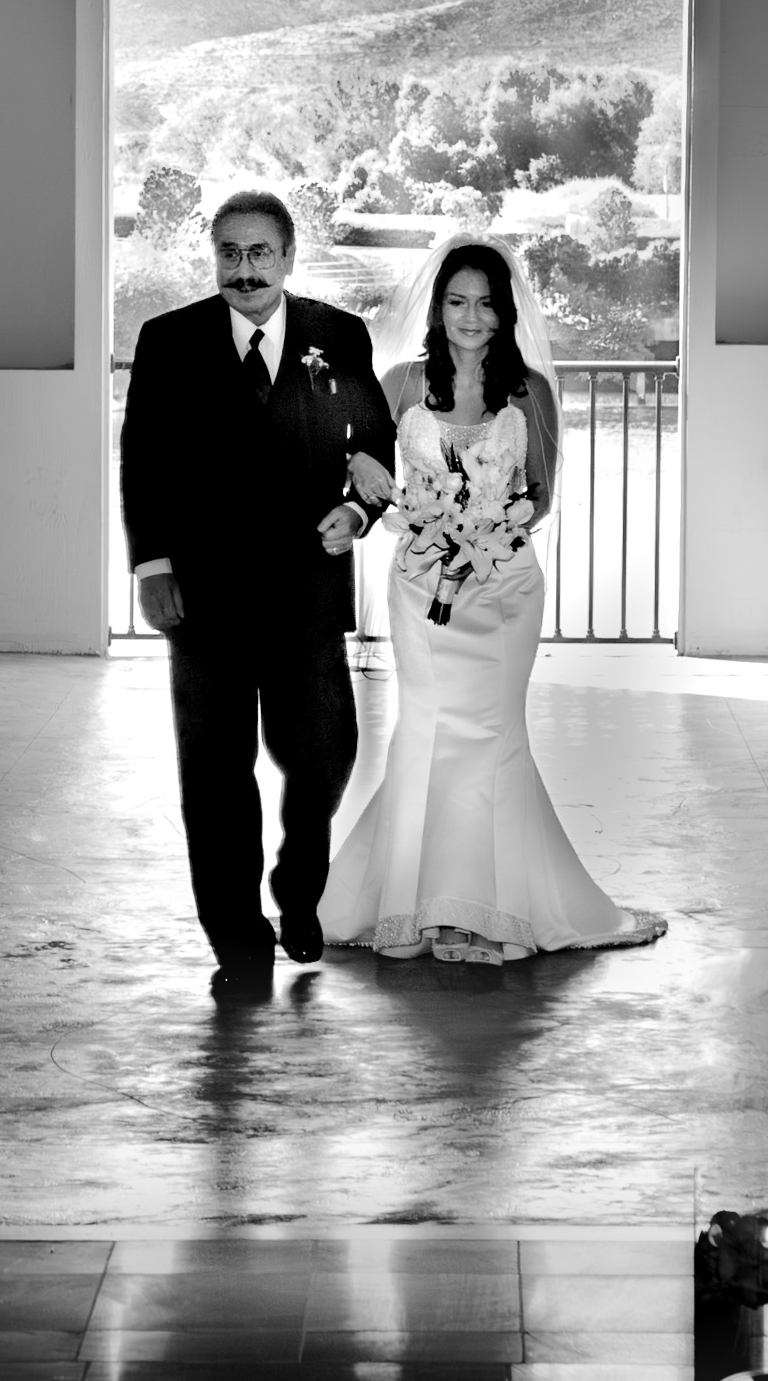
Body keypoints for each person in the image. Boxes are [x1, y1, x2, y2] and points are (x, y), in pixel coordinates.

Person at [318, 235, 666, 966]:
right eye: (455, 302)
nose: (469, 317)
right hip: (420, 584)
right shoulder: (399, 382)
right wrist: (367, 510)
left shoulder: (529, 390)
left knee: (491, 736)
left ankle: (487, 910)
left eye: (484, 303)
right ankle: (415, 905)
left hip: (503, 585)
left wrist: (483, 531)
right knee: (429, 729)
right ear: (437, 308)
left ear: (504, 312)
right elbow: (373, 483)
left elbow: (537, 494)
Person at [119, 188, 397, 980]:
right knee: (213, 770)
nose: (244, 271)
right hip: (201, 597)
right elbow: (144, 459)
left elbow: (372, 438)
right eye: (230, 254)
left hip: (306, 590)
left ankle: (300, 893)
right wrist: (152, 564)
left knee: (320, 756)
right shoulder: (168, 340)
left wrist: (356, 510)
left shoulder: (335, 336)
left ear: (288, 257)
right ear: (214, 258)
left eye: (259, 254)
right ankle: (234, 929)